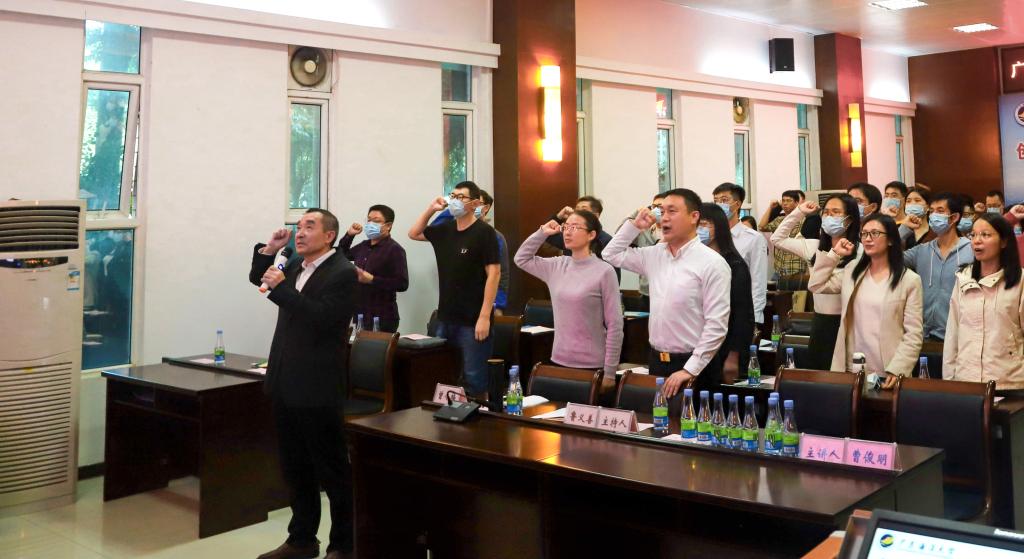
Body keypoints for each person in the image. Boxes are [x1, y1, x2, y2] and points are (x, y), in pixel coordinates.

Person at [249, 209, 355, 559]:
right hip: (285, 380)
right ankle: (302, 540)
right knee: (295, 468)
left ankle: (344, 544)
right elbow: (259, 279)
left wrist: (281, 289)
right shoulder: (294, 264)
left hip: (317, 386)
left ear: (330, 235)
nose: (300, 232)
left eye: (310, 226)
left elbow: (321, 318)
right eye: (298, 227)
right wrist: (269, 250)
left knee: (332, 471)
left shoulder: (342, 272)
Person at [604, 188, 731, 396]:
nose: (664, 218)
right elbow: (610, 254)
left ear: (694, 217)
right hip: (657, 360)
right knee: (657, 417)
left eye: (672, 211)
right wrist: (635, 227)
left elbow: (717, 324)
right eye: (661, 212)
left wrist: (690, 369)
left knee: (692, 418)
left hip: (695, 364)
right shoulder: (654, 255)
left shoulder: (712, 263)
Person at [409, 181, 500, 397]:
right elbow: (414, 233)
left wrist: (484, 316)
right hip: (446, 316)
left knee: (474, 380)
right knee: (446, 376)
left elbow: (494, 274)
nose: (455, 201)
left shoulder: (484, 232)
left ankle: (477, 417)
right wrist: (431, 209)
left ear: (475, 203)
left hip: (473, 319)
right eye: (453, 196)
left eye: (461, 197)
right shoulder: (445, 230)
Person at [810, 214, 923, 388]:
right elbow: (816, 284)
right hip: (852, 367)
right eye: (864, 234)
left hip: (888, 370)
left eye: (875, 233)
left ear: (891, 240)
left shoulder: (909, 280)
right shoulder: (852, 271)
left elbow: (913, 333)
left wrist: (898, 368)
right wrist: (835, 254)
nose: (868, 239)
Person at [514, 210, 623, 376]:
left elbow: (615, 324)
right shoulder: (557, 265)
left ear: (591, 234)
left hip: (592, 363)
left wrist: (610, 371)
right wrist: (542, 233)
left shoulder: (604, 271)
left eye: (575, 227)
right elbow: (521, 259)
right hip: (559, 358)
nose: (567, 232)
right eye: (566, 227)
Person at [773, 195, 861, 370]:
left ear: (849, 219)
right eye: (826, 212)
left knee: (844, 374)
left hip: (848, 321)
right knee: (818, 372)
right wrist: (799, 212)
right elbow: (777, 239)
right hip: (820, 321)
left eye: (836, 212)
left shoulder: (859, 251)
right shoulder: (814, 246)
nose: (829, 216)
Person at [943, 213, 1024, 390]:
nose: (977, 241)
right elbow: (952, 334)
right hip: (966, 381)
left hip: (1009, 383)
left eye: (985, 235)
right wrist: (949, 381)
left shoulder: (1020, 281)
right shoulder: (963, 278)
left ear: (1004, 242)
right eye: (973, 235)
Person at [899, 192, 973, 341]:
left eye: (940, 211)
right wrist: (904, 229)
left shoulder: (971, 250)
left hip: (958, 335)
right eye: (931, 211)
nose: (933, 216)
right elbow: (888, 258)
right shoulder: (922, 250)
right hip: (923, 334)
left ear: (954, 217)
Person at [699, 203, 755, 383]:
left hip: (726, 346)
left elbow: (742, 314)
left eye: (704, 224)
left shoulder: (735, 264)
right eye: (697, 225)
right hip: (701, 345)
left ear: (719, 228)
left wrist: (733, 356)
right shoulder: (697, 260)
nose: (699, 230)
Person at [431, 190, 510, 314]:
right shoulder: (455, 233)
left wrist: (498, 306)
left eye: (477, 203)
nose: (471, 206)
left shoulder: (495, 237)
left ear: (486, 208)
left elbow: (501, 274)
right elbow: (431, 230)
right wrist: (452, 209)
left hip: (482, 304)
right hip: (454, 302)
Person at [338, 204, 408, 333]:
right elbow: (341, 255)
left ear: (388, 225)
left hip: (383, 316)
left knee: (376, 346)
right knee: (357, 345)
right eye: (369, 220)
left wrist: (372, 279)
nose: (370, 224)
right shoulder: (363, 246)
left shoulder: (395, 250)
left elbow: (402, 284)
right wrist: (349, 235)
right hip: (361, 313)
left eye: (376, 221)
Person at [713, 183, 767, 326]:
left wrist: (755, 318)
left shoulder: (753, 238)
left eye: (724, 200)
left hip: (740, 310)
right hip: (713, 309)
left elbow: (758, 280)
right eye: (716, 201)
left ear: (737, 204)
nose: (719, 205)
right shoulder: (710, 236)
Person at [548, 195, 620, 282]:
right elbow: (547, 235)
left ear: (596, 216)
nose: (578, 213)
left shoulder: (606, 241)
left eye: (583, 210)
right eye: (577, 210)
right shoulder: (570, 235)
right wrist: (558, 217)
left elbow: (613, 278)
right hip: (569, 284)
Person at [621, 192, 666, 310]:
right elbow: (619, 238)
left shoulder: (673, 232)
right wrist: (635, 214)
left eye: (660, 206)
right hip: (646, 291)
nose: (656, 210)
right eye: (654, 206)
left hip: (667, 291)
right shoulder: (644, 231)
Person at [759, 189, 809, 291]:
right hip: (779, 270)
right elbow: (761, 227)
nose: (785, 203)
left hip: (796, 270)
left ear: (796, 203)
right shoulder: (779, 220)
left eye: (789, 200)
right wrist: (771, 207)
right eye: (783, 201)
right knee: (776, 298)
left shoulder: (805, 220)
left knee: (795, 299)